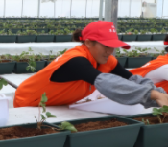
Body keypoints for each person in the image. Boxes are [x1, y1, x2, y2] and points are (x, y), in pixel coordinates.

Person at [13, 21, 168, 108]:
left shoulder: (107, 61)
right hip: (28, 105)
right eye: (105, 46)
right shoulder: (75, 60)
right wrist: (152, 95)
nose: (110, 51)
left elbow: (131, 78)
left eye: (112, 46)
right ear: (88, 42)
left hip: (59, 104)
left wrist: (160, 93)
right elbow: (105, 82)